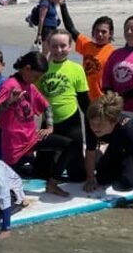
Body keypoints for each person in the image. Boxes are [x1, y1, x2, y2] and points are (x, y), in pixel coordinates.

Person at [0, 51, 74, 197]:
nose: (37, 80)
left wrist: (50, 127)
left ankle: (52, 184)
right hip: (14, 149)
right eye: (36, 76)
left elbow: (47, 106)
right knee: (3, 196)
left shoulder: (30, 86)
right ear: (26, 69)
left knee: (71, 145)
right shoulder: (9, 85)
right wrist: (9, 101)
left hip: (32, 139)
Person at [35, 29, 92, 182]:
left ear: (70, 46)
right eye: (54, 46)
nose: (59, 50)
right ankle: (53, 162)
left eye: (63, 46)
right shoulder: (42, 69)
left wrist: (94, 123)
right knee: (41, 173)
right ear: (48, 46)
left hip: (71, 123)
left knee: (78, 177)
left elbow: (84, 102)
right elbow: (33, 98)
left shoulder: (76, 69)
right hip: (48, 123)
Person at [57, 0, 115, 101]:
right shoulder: (87, 45)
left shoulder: (113, 53)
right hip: (86, 98)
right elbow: (70, 28)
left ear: (110, 34)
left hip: (103, 100)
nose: (100, 34)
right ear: (93, 31)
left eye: (104, 32)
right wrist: (63, 4)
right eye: (97, 31)